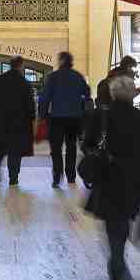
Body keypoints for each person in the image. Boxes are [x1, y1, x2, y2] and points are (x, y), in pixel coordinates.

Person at [83, 75, 140, 280]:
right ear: (132, 94)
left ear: (112, 93)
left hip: (107, 180)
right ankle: (119, 266)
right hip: (132, 182)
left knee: (113, 230)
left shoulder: (101, 117)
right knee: (123, 227)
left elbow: (87, 144)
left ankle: (118, 269)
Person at [39, 51, 91, 188]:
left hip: (57, 118)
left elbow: (45, 98)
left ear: (61, 61)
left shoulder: (53, 77)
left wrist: (42, 116)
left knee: (55, 148)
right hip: (74, 118)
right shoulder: (78, 76)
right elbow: (87, 92)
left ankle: (57, 176)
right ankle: (71, 176)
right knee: (71, 147)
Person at [0, 56, 36, 185]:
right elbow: (30, 105)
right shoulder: (24, 83)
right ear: (20, 65)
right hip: (19, 123)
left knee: (0, 148)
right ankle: (13, 177)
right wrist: (32, 119)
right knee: (15, 151)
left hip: (1, 120)